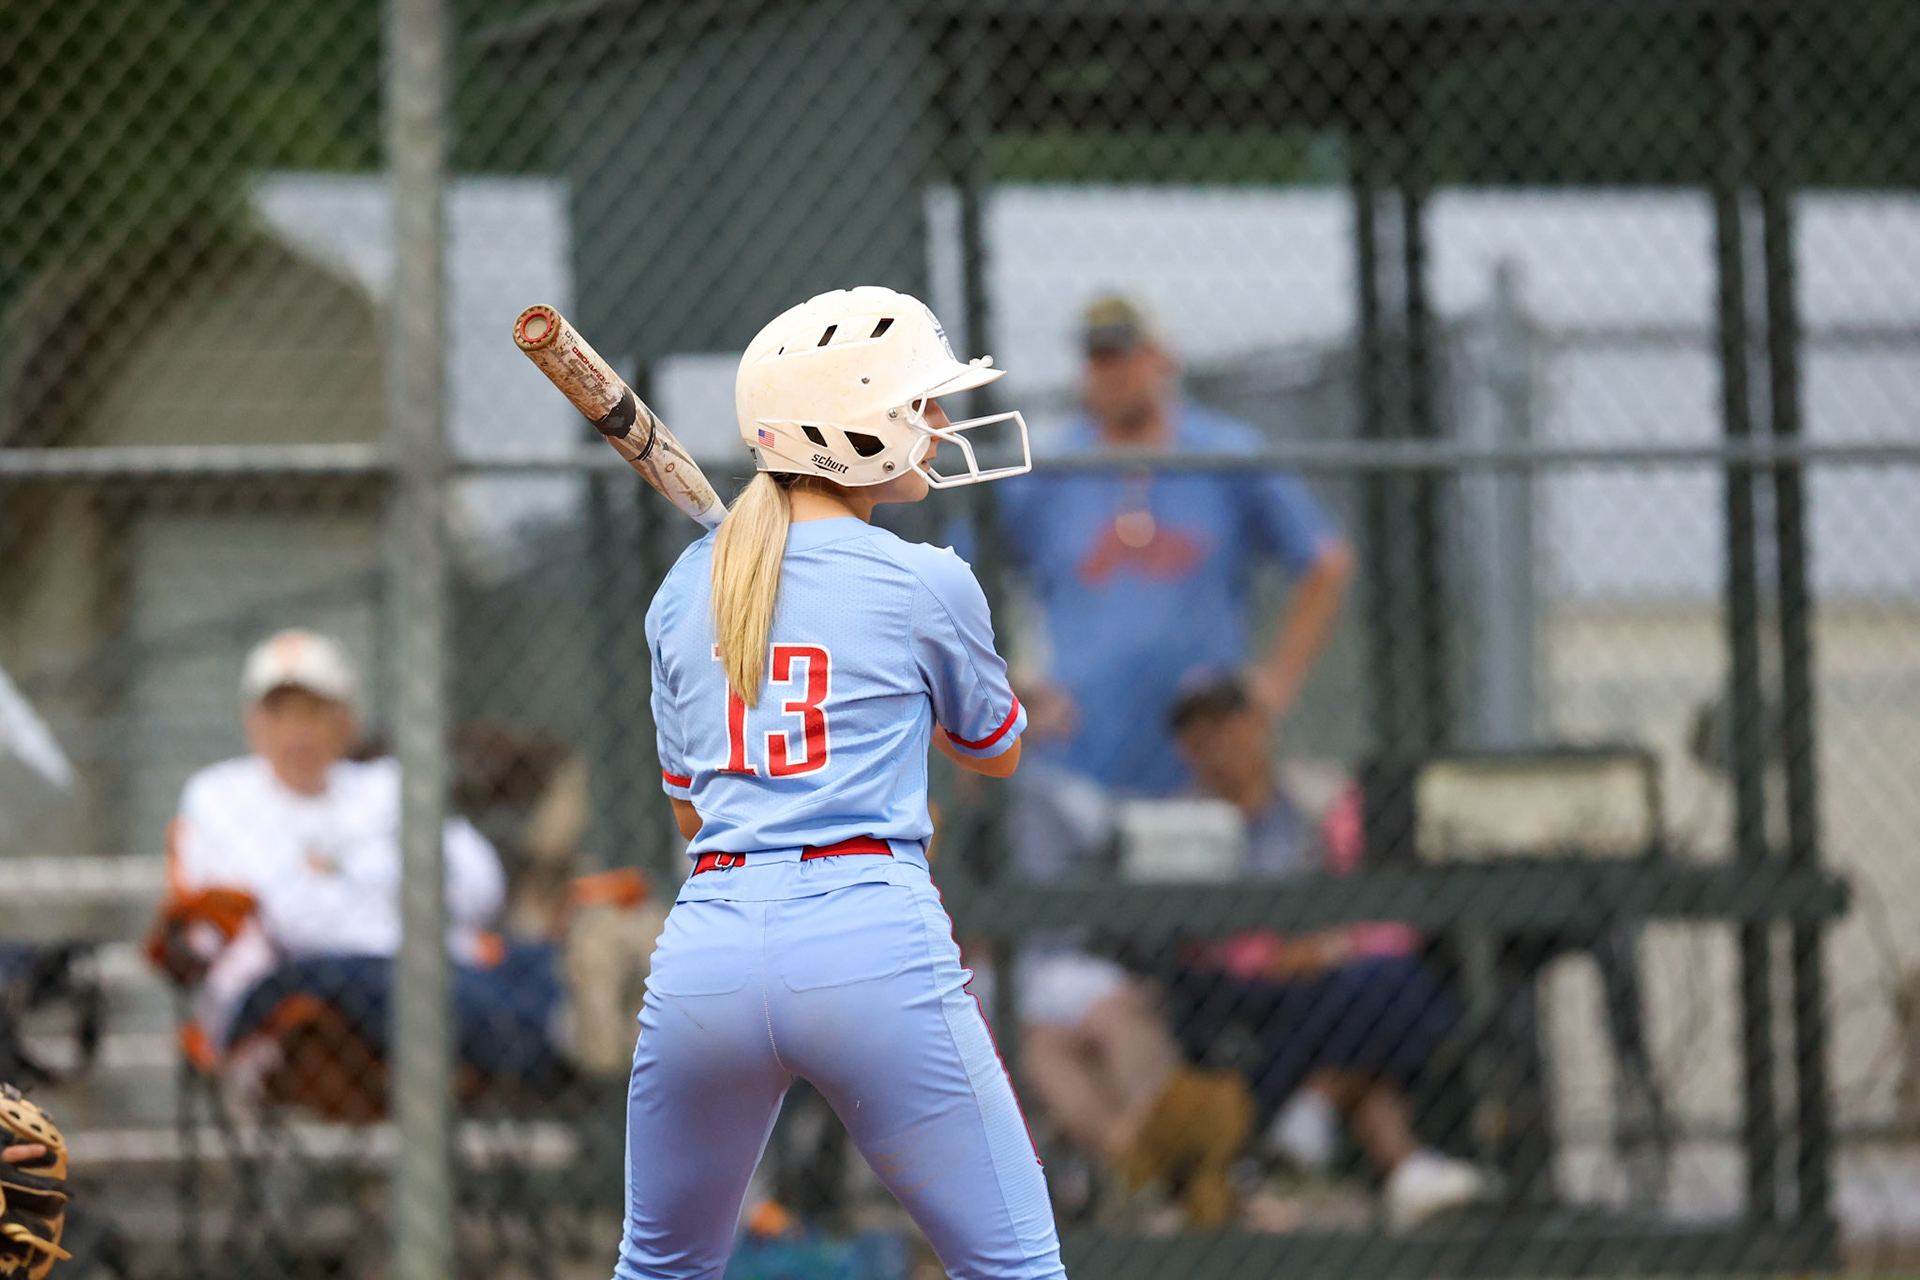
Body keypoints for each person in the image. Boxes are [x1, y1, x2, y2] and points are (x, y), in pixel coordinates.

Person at [621, 286, 1063, 1280]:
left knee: (660, 1268)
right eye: (920, 404)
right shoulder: (924, 579)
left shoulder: (684, 586)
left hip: (709, 948)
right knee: (1016, 1267)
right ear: (853, 428)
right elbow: (996, 747)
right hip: (868, 932)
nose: (940, 426)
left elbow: (691, 800)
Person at [148, 630, 562, 1094]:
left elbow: (482, 885)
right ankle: (559, 1050)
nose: (297, 730)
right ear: (253, 724)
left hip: (425, 963)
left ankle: (578, 1037)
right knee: (401, 978)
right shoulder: (220, 795)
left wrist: (340, 876)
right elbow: (290, 919)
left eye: (314, 711)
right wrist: (407, 885)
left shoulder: (384, 785)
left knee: (544, 963)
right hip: (287, 990)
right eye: (279, 712)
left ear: (348, 720)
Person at [1167, 676, 1488, 1230]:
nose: (1217, 741)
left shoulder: (1320, 796)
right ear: (1183, 747)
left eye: (1228, 722)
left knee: (1386, 978)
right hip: (1246, 994)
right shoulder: (1180, 823)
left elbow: (1386, 916)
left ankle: (1312, 1109)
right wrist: (1277, 956)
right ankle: (1401, 1164)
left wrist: (1327, 947)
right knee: (1389, 993)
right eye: (1198, 730)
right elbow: (1205, 947)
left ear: (1258, 725)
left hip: (1337, 973)